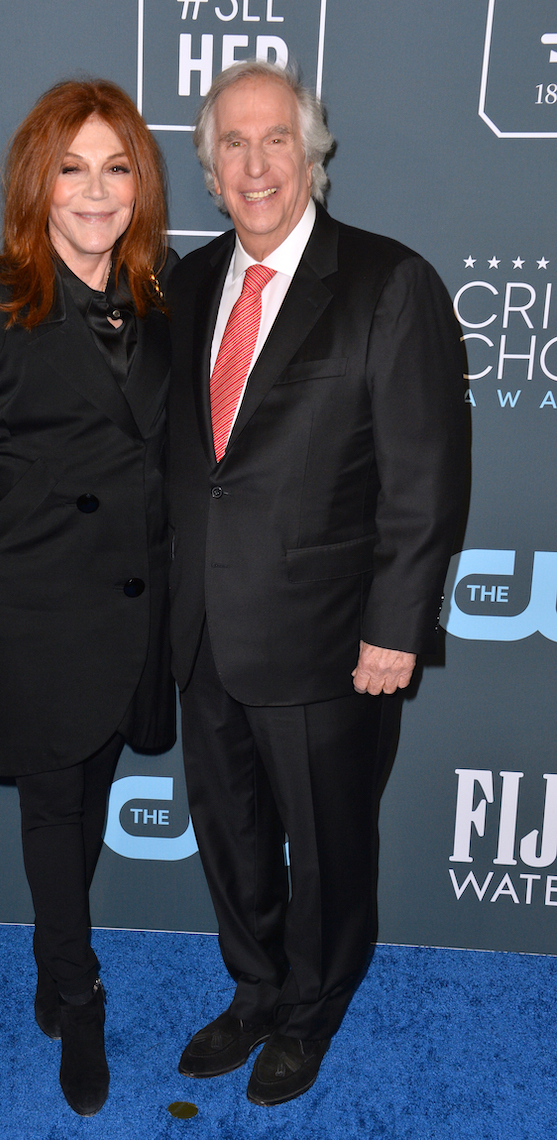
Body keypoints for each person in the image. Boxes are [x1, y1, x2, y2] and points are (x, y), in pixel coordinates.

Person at [166, 60, 467, 1107]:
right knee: (230, 832)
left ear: (312, 156)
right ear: (210, 172)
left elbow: (424, 477)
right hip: (202, 631)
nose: (255, 165)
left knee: (329, 849)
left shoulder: (388, 283)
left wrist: (397, 626)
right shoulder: (187, 283)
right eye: (232, 145)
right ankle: (255, 990)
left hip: (331, 640)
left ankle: (309, 1014)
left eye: (275, 140)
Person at [0, 78, 175, 1117]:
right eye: (72, 168)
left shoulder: (165, 300)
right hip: (31, 612)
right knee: (55, 808)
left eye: (117, 168)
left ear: (141, 187)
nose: (95, 190)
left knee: (87, 801)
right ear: (37, 181)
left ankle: (49, 950)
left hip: (134, 608)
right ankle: (78, 995)